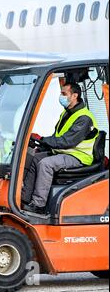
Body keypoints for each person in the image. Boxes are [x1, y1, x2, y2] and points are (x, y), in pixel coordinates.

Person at [22, 83, 98, 213]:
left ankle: (38, 205)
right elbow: (58, 136)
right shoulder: (66, 113)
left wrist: (43, 140)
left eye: (64, 94)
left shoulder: (84, 118)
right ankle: (24, 199)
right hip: (64, 152)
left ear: (75, 96)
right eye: (61, 93)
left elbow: (67, 141)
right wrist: (41, 143)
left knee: (46, 164)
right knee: (35, 158)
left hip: (78, 156)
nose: (60, 96)